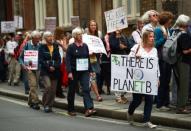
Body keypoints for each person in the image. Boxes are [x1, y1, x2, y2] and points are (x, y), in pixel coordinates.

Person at [127, 29, 159, 128]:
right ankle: (130, 112)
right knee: (137, 100)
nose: (152, 38)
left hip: (150, 79)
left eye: (153, 36)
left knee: (149, 99)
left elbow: (156, 65)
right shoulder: (137, 47)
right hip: (138, 78)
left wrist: (158, 78)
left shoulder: (154, 50)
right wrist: (135, 57)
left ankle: (147, 120)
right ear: (145, 37)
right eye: (150, 36)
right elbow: (127, 61)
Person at [66, 27, 96, 117]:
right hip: (74, 71)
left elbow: (88, 59)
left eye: (81, 34)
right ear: (75, 36)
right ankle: (70, 109)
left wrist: (91, 70)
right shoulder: (71, 47)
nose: (80, 36)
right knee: (72, 90)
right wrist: (69, 72)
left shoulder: (85, 46)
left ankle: (89, 108)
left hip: (84, 71)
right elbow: (68, 60)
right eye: (79, 35)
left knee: (86, 89)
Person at [154, 11, 174, 111]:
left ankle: (166, 103)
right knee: (162, 81)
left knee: (166, 81)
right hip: (161, 58)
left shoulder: (167, 29)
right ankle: (159, 104)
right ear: (165, 21)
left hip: (167, 58)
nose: (171, 23)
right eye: (169, 21)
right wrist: (164, 39)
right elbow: (155, 44)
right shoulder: (158, 30)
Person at [171, 14, 191, 114]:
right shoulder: (184, 35)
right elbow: (185, 51)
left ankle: (178, 105)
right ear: (185, 24)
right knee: (184, 85)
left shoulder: (175, 32)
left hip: (176, 61)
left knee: (179, 84)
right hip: (183, 62)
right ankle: (181, 108)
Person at [39, 31, 61, 113]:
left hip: (55, 70)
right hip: (45, 71)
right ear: (45, 38)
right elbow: (41, 60)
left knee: (53, 90)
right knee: (48, 87)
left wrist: (55, 66)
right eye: (48, 36)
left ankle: (50, 105)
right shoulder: (42, 47)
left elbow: (58, 58)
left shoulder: (55, 46)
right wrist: (49, 67)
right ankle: (46, 104)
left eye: (51, 36)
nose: (51, 38)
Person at [19, 30, 41, 110]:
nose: (38, 40)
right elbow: (20, 57)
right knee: (33, 84)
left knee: (35, 86)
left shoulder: (40, 45)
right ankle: (35, 102)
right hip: (29, 68)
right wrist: (23, 65)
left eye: (39, 38)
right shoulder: (27, 45)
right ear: (32, 38)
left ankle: (30, 101)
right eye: (36, 38)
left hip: (38, 68)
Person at [109, 29, 129, 104]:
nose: (120, 29)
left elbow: (128, 46)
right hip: (116, 60)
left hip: (124, 58)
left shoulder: (123, 35)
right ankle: (118, 97)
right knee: (118, 78)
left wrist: (123, 47)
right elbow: (113, 46)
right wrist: (117, 38)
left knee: (125, 78)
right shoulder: (112, 36)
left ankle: (122, 94)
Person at [85, 20, 103, 102]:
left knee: (93, 76)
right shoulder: (85, 36)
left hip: (95, 59)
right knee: (92, 76)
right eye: (91, 25)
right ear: (89, 26)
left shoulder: (98, 35)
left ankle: (87, 92)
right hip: (87, 59)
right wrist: (88, 52)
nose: (93, 26)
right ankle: (97, 95)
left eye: (95, 25)